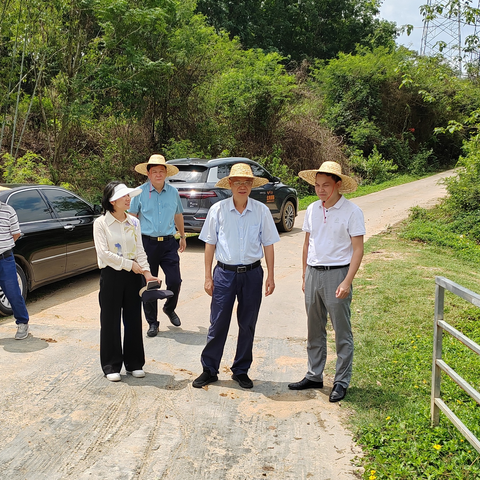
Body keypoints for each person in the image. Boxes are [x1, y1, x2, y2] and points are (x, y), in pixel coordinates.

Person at [192, 163, 280, 390]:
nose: (243, 186)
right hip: (224, 274)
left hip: (252, 274)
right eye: (238, 182)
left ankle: (241, 370)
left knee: (247, 323)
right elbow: (210, 244)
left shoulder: (261, 211)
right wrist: (207, 276)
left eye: (247, 182)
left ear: (252, 185)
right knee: (218, 322)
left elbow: (268, 244)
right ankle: (209, 369)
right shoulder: (218, 210)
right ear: (229, 184)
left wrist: (271, 275)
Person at [288, 161, 365, 402]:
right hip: (313, 273)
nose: (321, 190)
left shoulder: (352, 211)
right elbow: (307, 243)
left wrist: (347, 281)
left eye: (326, 185)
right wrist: (304, 274)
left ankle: (341, 381)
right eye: (317, 185)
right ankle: (314, 374)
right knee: (314, 328)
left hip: (337, 274)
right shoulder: (311, 209)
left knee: (341, 330)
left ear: (338, 185)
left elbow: (358, 249)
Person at [93, 181, 159, 382]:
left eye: (129, 196)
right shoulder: (101, 224)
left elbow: (139, 250)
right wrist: (129, 265)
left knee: (133, 319)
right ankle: (111, 365)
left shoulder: (134, 222)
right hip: (111, 276)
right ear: (112, 201)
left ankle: (134, 363)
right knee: (110, 320)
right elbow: (103, 254)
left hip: (133, 277)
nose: (128, 199)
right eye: (124, 196)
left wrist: (147, 273)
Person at [129, 154, 186, 337]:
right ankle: (152, 322)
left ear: (166, 173)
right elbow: (132, 218)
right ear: (148, 173)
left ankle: (169, 308)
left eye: (162, 171)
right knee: (150, 284)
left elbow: (178, 215)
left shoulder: (173, 193)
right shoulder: (139, 193)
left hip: (169, 243)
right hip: (147, 243)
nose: (158, 174)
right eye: (155, 171)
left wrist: (183, 236)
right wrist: (133, 245)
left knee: (175, 280)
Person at [0, 199, 30, 340]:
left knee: (12, 292)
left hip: (5, 258)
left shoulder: (8, 210)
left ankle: (23, 322)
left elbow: (16, 234)